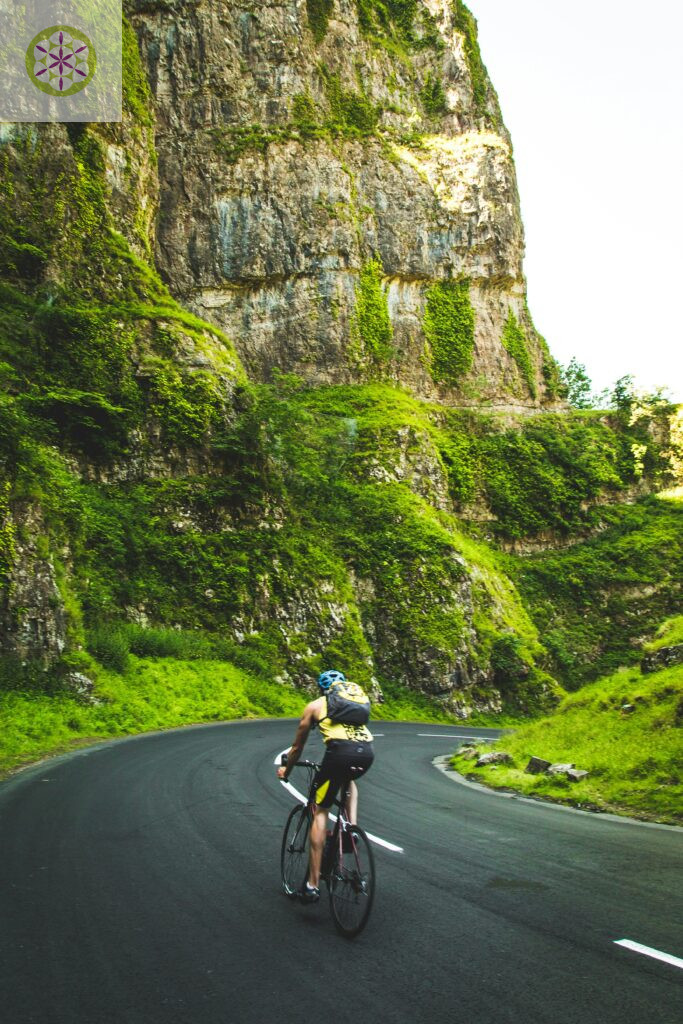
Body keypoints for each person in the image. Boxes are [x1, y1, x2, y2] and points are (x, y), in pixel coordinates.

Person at [277, 669, 374, 903]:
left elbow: (297, 748)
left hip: (339, 754)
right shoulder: (353, 706)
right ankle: (351, 829)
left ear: (322, 689)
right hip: (366, 753)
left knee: (321, 810)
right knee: (347, 779)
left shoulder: (315, 706)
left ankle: (311, 885)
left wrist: (285, 771)